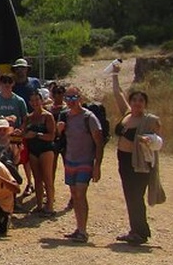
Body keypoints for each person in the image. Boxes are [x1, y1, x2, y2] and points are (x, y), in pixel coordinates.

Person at [110, 62, 164, 244]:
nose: (137, 103)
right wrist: (115, 75)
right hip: (124, 160)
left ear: (145, 104)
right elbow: (117, 94)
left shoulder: (150, 120)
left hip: (139, 163)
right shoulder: (126, 115)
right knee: (129, 195)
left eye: (141, 101)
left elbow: (158, 141)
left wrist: (148, 140)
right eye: (134, 100)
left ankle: (140, 232)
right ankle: (136, 230)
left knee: (135, 196)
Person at [56, 86, 104, 243]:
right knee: (75, 195)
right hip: (70, 160)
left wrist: (97, 165)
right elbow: (60, 138)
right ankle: (79, 227)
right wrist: (59, 130)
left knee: (81, 194)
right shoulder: (65, 117)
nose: (71, 101)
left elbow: (99, 142)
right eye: (68, 98)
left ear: (80, 98)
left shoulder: (89, 117)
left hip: (85, 161)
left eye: (73, 97)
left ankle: (83, 231)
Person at [23, 91, 57, 216]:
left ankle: (50, 206)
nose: (35, 103)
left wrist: (36, 135)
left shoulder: (48, 116)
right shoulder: (28, 117)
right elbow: (23, 133)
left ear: (42, 100)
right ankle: (38, 205)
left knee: (47, 178)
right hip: (33, 150)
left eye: (37, 99)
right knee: (37, 178)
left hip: (46, 149)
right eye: (33, 100)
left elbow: (52, 135)